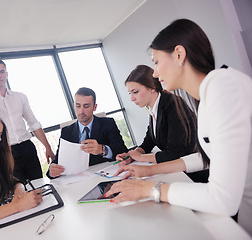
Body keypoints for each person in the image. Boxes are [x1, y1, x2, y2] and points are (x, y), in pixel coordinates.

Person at [106, 19, 252, 236]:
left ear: (179, 54)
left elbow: (222, 199)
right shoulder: (206, 97)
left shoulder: (223, 87)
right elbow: (206, 158)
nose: (154, 73)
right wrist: (148, 170)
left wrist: (149, 189)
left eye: (156, 62)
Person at [117, 65, 208, 182]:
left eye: (135, 92)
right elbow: (149, 140)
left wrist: (141, 157)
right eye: (130, 93)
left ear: (152, 88)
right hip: (178, 172)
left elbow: (174, 154)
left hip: (195, 175)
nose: (132, 99)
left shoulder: (172, 104)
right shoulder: (154, 108)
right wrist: (132, 154)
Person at [0, 59, 54, 181]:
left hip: (27, 148)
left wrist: (47, 147)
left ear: (7, 74)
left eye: (2, 71)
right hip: (5, 152)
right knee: (19, 192)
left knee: (39, 186)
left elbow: (33, 123)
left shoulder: (19, 97)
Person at [47, 87, 128, 178]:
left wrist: (102, 149)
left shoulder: (107, 123)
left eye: (86, 106)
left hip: (104, 177)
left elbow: (123, 151)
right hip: (78, 180)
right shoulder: (66, 131)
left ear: (95, 107)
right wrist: (52, 171)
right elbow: (58, 161)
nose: (81, 111)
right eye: (78, 106)